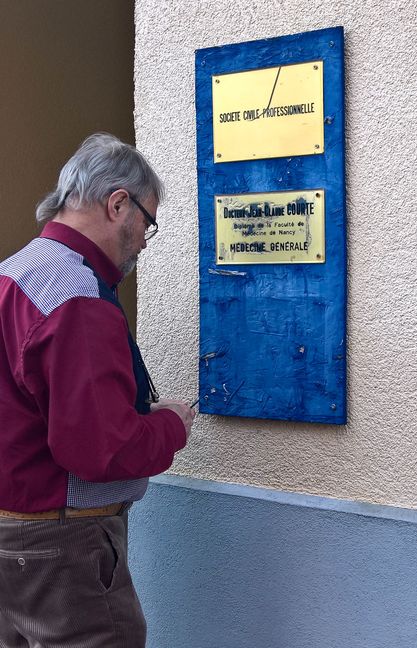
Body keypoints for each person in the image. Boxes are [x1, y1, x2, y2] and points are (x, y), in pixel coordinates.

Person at [0, 133, 195, 647]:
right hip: (63, 546)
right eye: (148, 221)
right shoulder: (77, 296)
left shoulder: (13, 274)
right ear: (117, 204)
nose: (147, 239)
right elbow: (100, 448)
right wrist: (171, 426)